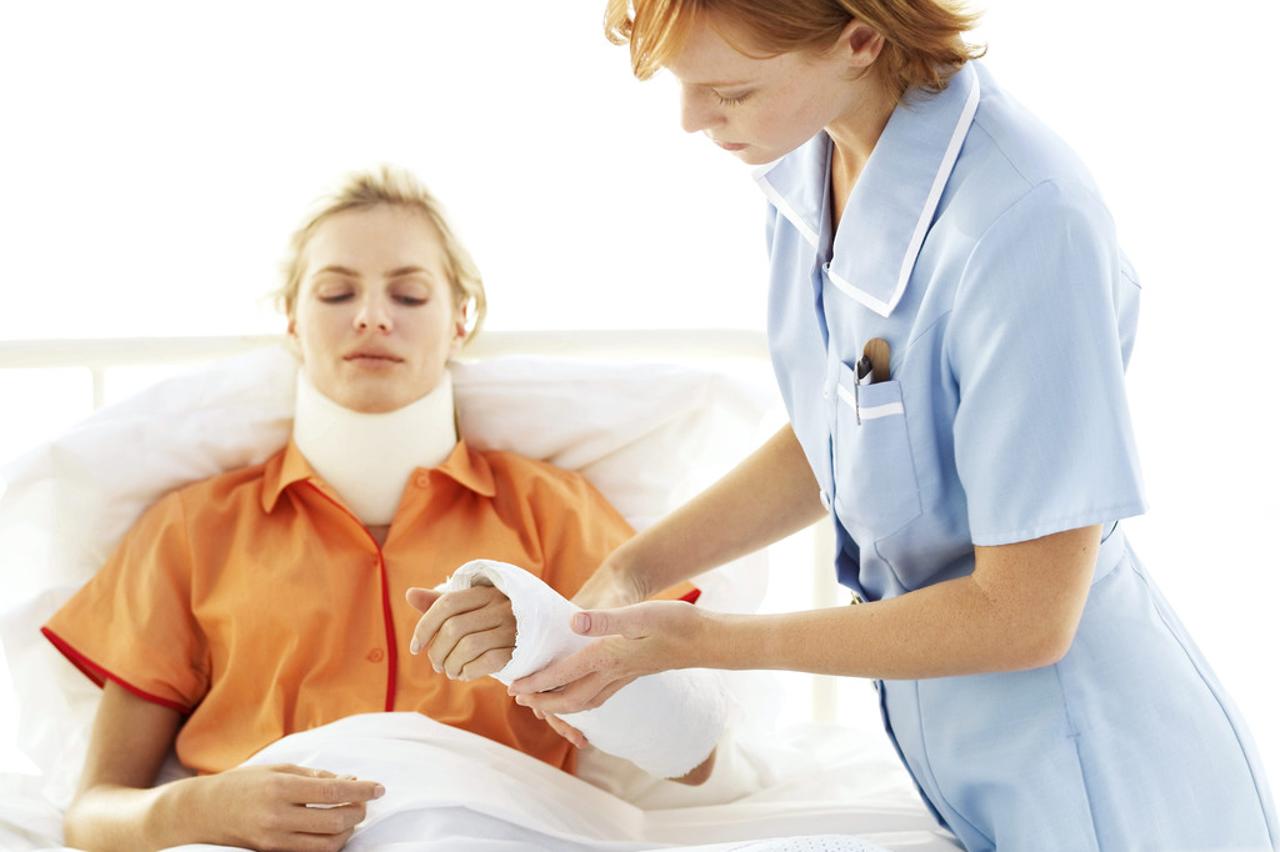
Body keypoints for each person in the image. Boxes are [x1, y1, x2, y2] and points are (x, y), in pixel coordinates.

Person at [492, 3, 1279, 850]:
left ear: (861, 38)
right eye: (685, 86)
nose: (691, 120)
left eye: (730, 90)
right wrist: (632, 570)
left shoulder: (1026, 223)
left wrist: (708, 644)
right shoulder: (811, 160)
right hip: (962, 761)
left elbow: (1026, 614)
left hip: (1095, 778)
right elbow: (848, 430)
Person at [40, 166, 704, 852]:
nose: (372, 316)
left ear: (460, 322)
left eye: (410, 294)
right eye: (336, 292)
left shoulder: (552, 511)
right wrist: (198, 810)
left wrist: (547, 636)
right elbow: (91, 813)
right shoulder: (190, 530)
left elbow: (695, 756)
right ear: (293, 321)